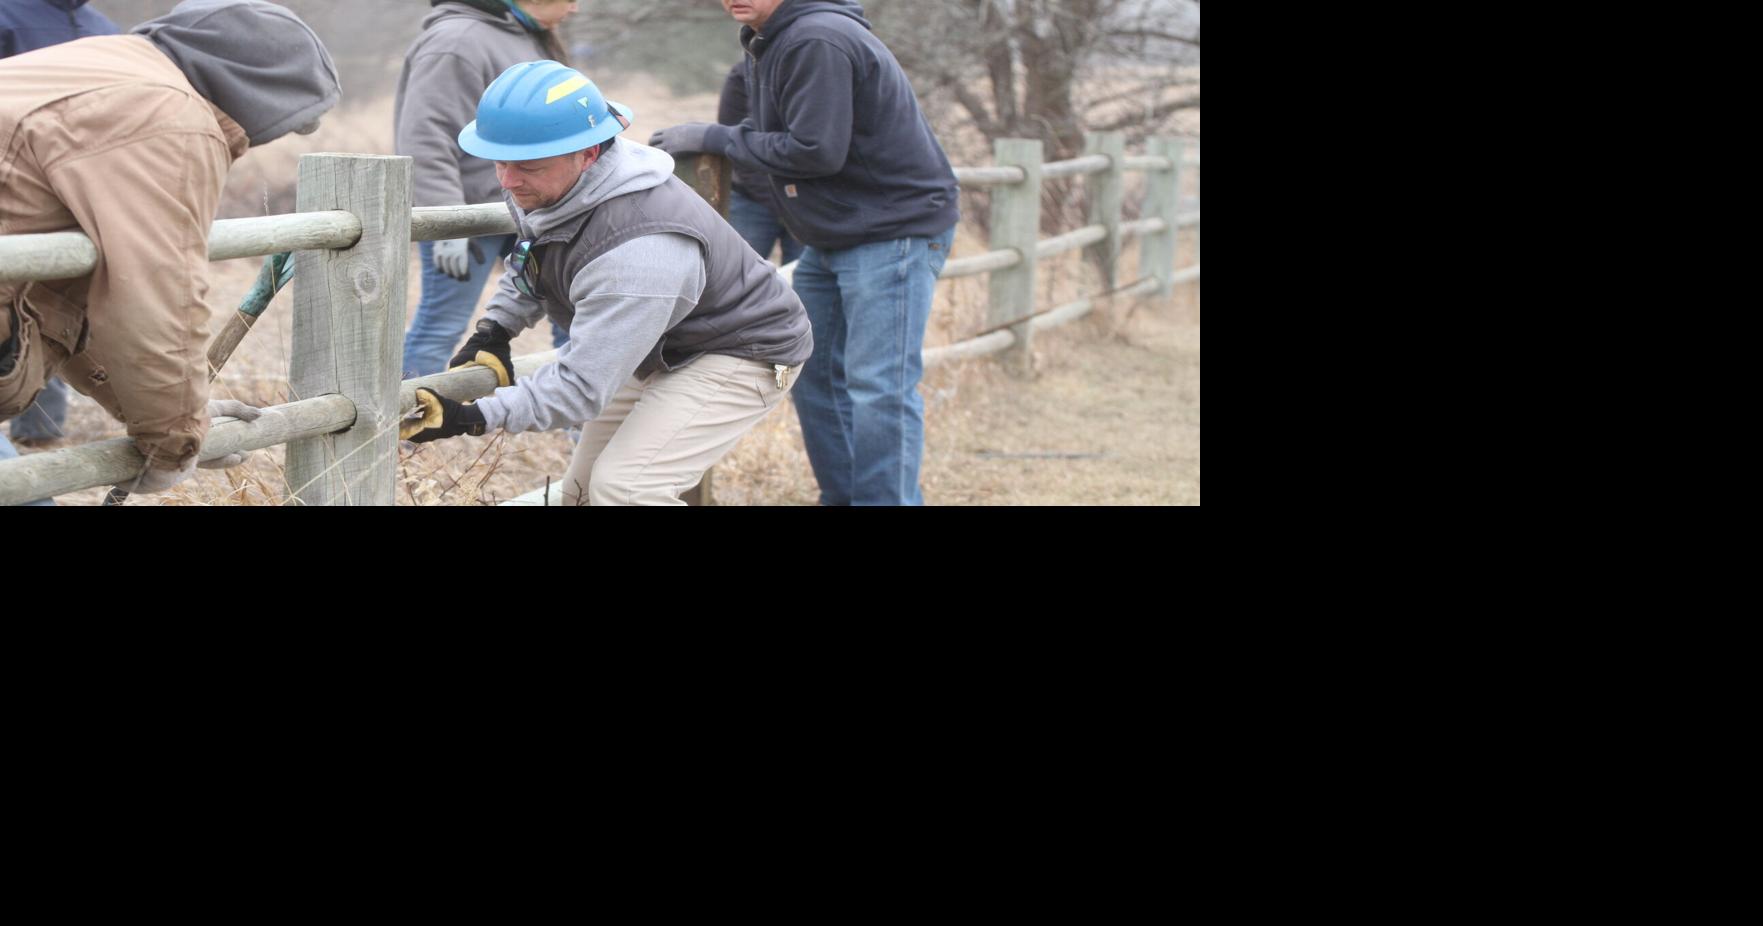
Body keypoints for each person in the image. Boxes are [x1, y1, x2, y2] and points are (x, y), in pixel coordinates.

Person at [400, 61, 813, 506]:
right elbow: (533, 255)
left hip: (742, 350)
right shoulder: (545, 182)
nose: (507, 180)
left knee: (627, 489)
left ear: (589, 152)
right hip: (663, 341)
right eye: (499, 161)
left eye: (527, 167)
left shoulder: (641, 251)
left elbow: (579, 390)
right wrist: (496, 330)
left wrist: (472, 417)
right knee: (581, 492)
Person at [0, 0, 340, 496]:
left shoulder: (96, 65)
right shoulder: (169, 119)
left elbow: (75, 286)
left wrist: (183, 415)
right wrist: (174, 442)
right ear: (256, 94)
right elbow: (156, 297)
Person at [650, 0, 960, 506]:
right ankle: (844, 496)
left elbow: (816, 150)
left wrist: (716, 138)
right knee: (810, 373)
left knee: (880, 386)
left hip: (893, 229)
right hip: (838, 234)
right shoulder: (768, 37)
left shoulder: (817, 37)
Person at [397, 0, 580, 377]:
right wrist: (447, 224)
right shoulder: (456, 40)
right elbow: (424, 136)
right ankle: (403, 430)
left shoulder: (525, 35)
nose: (575, 9)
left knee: (573, 322)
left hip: (534, 213)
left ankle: (582, 431)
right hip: (469, 220)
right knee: (440, 327)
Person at [0, 0, 121, 457]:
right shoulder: (6, 15)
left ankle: (40, 430)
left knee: (59, 300)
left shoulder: (103, 28)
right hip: (12, 185)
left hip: (79, 190)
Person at [717, 61, 802, 267]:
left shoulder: (814, 72)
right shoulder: (742, 73)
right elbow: (732, 142)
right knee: (739, 275)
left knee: (802, 280)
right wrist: (778, 201)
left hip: (808, 199)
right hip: (751, 197)